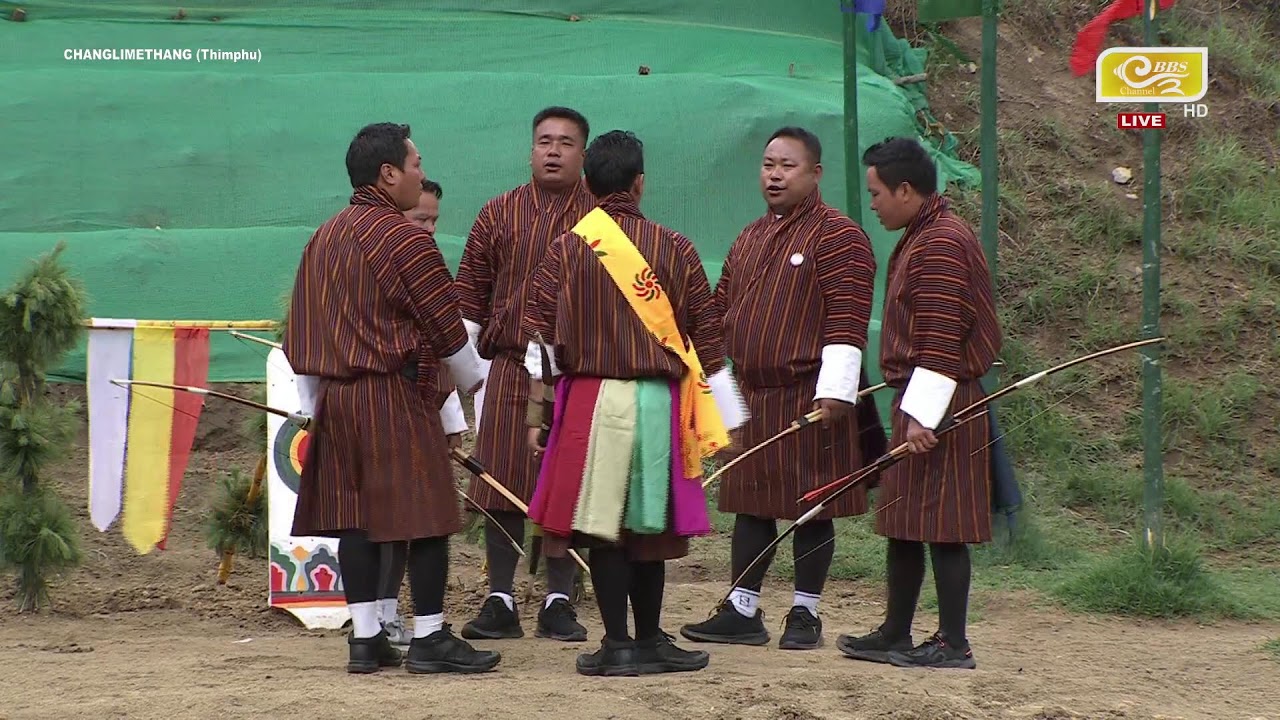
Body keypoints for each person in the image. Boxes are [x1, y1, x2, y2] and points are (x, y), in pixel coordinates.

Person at [521, 129, 748, 676]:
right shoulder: (677, 248)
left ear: (588, 184)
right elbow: (709, 340)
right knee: (649, 529)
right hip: (657, 403)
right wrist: (730, 417)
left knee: (605, 527)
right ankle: (648, 640)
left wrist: (538, 415)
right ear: (641, 183)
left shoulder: (565, 248)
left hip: (588, 402)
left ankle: (617, 645)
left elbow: (540, 345)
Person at [283, 122, 501, 675]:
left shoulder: (323, 236)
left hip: (336, 400)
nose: (421, 174)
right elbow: (450, 334)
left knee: (357, 522)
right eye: (416, 163)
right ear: (389, 174)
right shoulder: (406, 238)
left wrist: (314, 401)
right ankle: (429, 638)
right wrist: (478, 387)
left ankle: (365, 638)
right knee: (424, 517)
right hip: (392, 395)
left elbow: (297, 335)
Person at [679, 126, 886, 651]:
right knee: (751, 503)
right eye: (768, 163)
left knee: (811, 504)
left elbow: (847, 317)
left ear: (815, 173)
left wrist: (836, 391)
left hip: (810, 395)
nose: (774, 173)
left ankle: (805, 612)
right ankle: (742, 608)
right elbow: (715, 317)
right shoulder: (748, 237)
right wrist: (720, 398)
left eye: (787, 165)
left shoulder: (838, 236)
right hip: (750, 392)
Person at [835, 136, 1001, 670]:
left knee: (945, 524)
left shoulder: (940, 242)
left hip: (942, 403)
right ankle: (895, 633)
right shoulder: (922, 232)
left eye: (878, 193)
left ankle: (954, 643)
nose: (874, 203)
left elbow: (941, 336)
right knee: (904, 518)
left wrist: (926, 417)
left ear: (906, 189)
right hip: (919, 398)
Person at [453, 106, 598, 642]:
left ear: (584, 154)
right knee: (498, 483)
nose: (553, 151)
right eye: (544, 141)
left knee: (573, 488)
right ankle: (500, 597)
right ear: (530, 150)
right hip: (510, 367)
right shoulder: (497, 214)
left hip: (579, 374)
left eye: (565, 142)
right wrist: (462, 378)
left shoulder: (602, 219)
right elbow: (470, 297)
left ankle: (560, 600)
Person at [376, 176, 457, 647]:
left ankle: (410, 620)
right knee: (382, 519)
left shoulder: (430, 265)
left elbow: (443, 349)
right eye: (418, 219)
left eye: (434, 221)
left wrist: (451, 420)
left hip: (423, 404)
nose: (427, 230)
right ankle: (380, 615)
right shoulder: (375, 259)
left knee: (417, 517)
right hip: (381, 403)